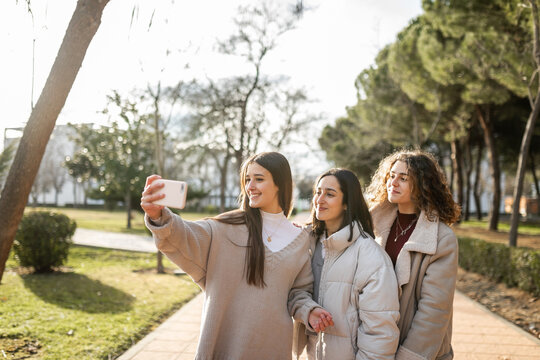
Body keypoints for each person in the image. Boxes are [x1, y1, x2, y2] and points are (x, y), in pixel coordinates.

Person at [140, 151, 332, 360]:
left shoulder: (301, 239)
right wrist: (157, 215)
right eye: (247, 179)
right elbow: (184, 235)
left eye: (259, 179)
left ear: (279, 184)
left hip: (272, 347)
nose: (250, 186)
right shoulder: (225, 228)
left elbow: (298, 293)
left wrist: (309, 311)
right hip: (224, 345)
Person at [293, 168, 400, 360]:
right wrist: (308, 310)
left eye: (330, 194)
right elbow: (296, 293)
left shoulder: (371, 257)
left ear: (346, 203)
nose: (319, 199)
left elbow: (380, 334)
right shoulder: (307, 245)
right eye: (318, 192)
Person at [366, 149, 461, 360]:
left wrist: (410, 355)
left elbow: (434, 310)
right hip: (375, 343)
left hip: (417, 349)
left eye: (403, 178)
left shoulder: (442, 239)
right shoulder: (372, 224)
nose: (393, 182)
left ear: (422, 185)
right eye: (391, 176)